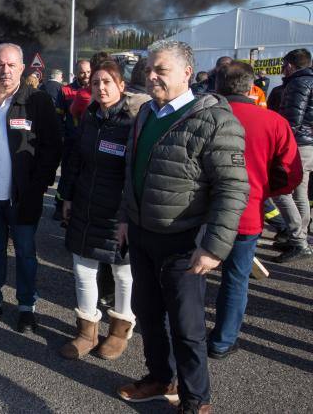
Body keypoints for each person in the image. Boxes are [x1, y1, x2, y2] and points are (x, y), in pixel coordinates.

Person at [116, 41, 249, 413]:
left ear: (187, 73)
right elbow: (132, 171)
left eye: (161, 70)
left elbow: (233, 187)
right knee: (147, 312)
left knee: (187, 327)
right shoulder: (146, 112)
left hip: (185, 242)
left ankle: (195, 400)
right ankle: (161, 378)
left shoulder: (214, 120)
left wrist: (213, 247)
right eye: (149, 70)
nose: (151, 76)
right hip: (142, 233)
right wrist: (125, 218)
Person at [0, 43, 61, 332]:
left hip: (21, 197)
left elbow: (52, 149)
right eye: (0, 64)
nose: (5, 70)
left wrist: (37, 187)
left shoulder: (37, 102)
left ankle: (26, 306)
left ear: (22, 67)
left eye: (11, 65)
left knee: (25, 253)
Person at [208, 62, 301, 359]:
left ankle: (189, 333)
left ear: (216, 85)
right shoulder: (274, 121)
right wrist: (262, 190)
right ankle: (222, 341)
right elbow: (291, 174)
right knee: (236, 279)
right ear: (252, 88)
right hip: (247, 214)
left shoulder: (201, 115)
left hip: (199, 212)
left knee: (190, 276)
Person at [59, 61, 135, 360]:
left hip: (117, 212)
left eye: (107, 82)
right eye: (95, 83)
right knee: (83, 269)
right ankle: (86, 332)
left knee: (122, 273)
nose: (100, 88)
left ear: (121, 86)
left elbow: (134, 174)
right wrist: (66, 197)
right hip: (85, 206)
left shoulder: (132, 124)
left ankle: (119, 331)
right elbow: (74, 160)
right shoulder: (88, 119)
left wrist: (128, 214)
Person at [273, 48, 313, 262]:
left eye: (283, 66)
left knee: (280, 190)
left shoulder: (299, 83)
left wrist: (280, 144)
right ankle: (299, 238)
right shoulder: (308, 81)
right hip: (308, 144)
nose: (282, 70)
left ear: (289, 65)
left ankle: (299, 241)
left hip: (297, 145)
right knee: (300, 193)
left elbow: (292, 119)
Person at [53, 59, 91, 223]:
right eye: (82, 72)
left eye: (88, 72)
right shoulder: (65, 90)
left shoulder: (96, 90)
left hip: (89, 142)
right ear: (76, 73)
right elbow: (58, 117)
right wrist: (62, 136)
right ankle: (59, 206)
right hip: (71, 141)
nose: (86, 75)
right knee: (67, 175)